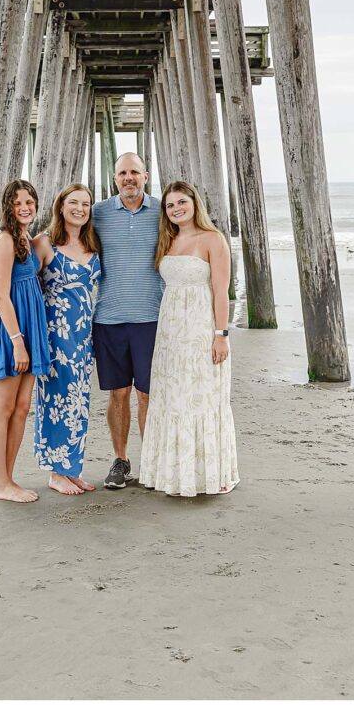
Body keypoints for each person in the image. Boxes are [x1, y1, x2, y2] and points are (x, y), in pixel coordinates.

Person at [139, 181, 239, 497]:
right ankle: (175, 475)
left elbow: (221, 292)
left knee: (204, 397)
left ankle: (213, 475)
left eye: (181, 202)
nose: (176, 209)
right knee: (173, 398)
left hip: (201, 329)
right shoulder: (167, 240)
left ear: (194, 203)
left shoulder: (212, 239)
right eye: (170, 205)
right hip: (169, 334)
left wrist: (221, 335)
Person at [92, 153, 162, 489]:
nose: (128, 177)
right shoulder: (98, 214)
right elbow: (58, 240)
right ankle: (121, 460)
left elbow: (197, 242)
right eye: (122, 173)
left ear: (146, 176)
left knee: (148, 395)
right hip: (108, 319)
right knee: (118, 393)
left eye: (135, 172)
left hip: (152, 319)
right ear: (114, 178)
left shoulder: (164, 212)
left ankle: (150, 459)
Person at [0, 179, 50, 503]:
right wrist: (18, 342)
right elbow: (2, 295)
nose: (25, 207)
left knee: (22, 408)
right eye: (18, 202)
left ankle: (9, 478)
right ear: (8, 206)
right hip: (13, 331)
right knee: (3, 408)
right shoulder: (6, 238)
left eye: (30, 202)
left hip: (28, 327)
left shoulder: (24, 237)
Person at [33, 184, 102, 495]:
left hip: (82, 334)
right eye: (73, 202)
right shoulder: (45, 243)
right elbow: (20, 278)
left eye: (86, 204)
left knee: (78, 400)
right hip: (54, 334)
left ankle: (71, 468)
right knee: (56, 401)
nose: (80, 208)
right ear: (60, 206)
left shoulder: (92, 242)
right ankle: (55, 472)